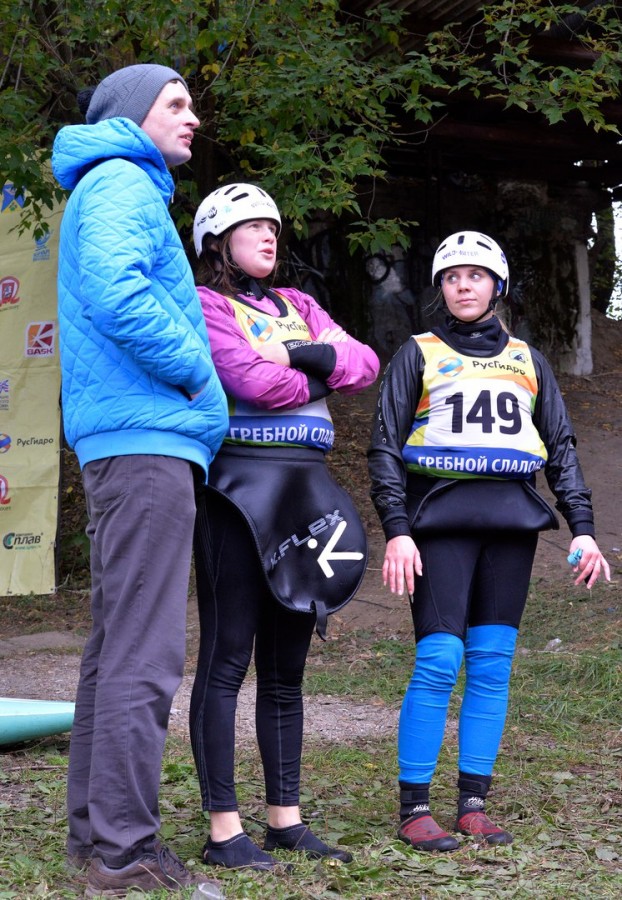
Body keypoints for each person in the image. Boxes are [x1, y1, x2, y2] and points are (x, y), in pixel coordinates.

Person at [367, 231, 610, 852]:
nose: (463, 285)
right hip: (439, 522)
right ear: (441, 289)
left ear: (497, 285)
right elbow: (385, 447)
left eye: (475, 275)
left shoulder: (529, 360)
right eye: (451, 277)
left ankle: (473, 804)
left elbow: (561, 447)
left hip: (510, 525)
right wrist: (396, 530)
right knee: (439, 659)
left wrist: (584, 530)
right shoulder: (417, 353)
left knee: (493, 661)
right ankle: (414, 808)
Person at [52, 64, 228, 897]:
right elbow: (118, 294)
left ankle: (97, 838)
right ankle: (126, 853)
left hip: (127, 440)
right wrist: (196, 370)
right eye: (175, 103)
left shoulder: (110, 183)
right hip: (147, 440)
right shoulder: (123, 179)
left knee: (116, 645)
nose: (192, 117)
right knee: (147, 654)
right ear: (131, 115)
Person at [189, 183, 380, 870]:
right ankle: (224, 831)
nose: (270, 236)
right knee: (227, 660)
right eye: (252, 227)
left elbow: (365, 364)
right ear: (218, 242)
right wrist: (322, 366)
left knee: (286, 669)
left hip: (305, 488)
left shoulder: (298, 304)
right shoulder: (206, 304)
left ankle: (285, 822)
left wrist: (299, 358)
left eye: (273, 226)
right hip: (238, 492)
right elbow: (252, 383)